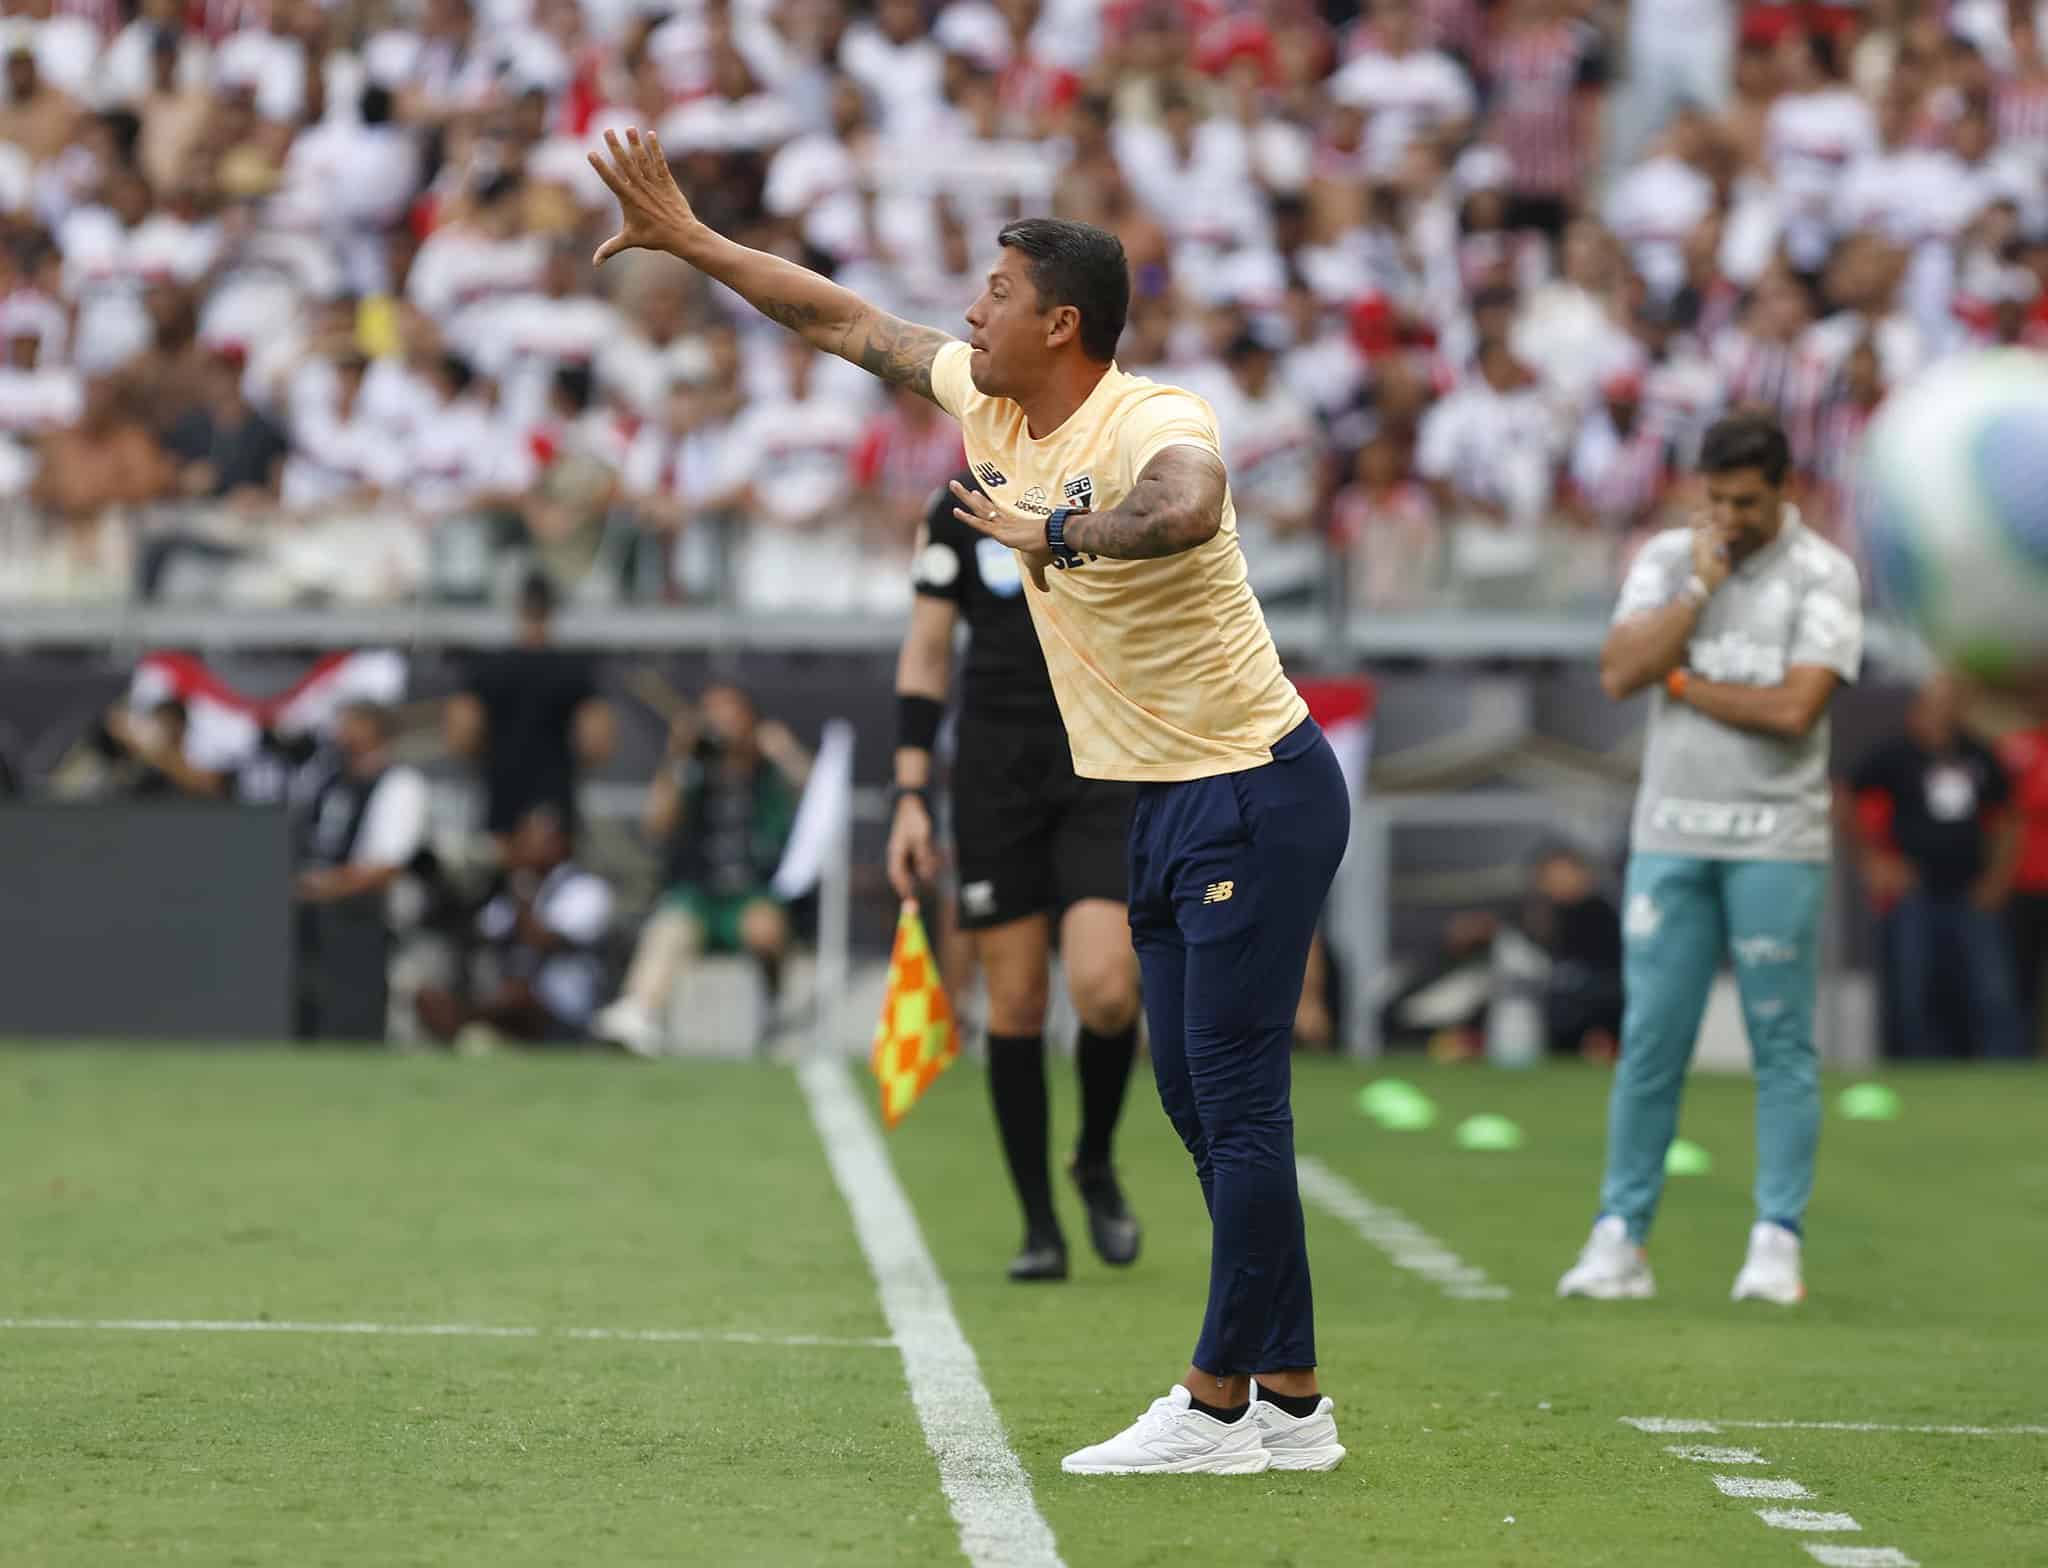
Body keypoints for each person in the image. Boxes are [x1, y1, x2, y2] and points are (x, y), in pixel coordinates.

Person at [589, 126, 1353, 1475]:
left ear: (1062, 323)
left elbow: (1186, 508)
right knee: (1196, 1098)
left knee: (1232, 1102)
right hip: (1161, 799)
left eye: (993, 295)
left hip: (1248, 787)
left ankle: (1219, 1402)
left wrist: (1057, 533)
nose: (967, 311)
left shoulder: (1152, 419)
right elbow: (840, 321)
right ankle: (1291, 1398)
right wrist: (695, 242)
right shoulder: (990, 405)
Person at [1557, 411, 1863, 1308]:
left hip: (1775, 837)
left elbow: (1793, 711)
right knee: (1651, 1037)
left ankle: (1776, 1242)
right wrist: (1698, 593)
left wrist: (1682, 679)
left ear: (1785, 491)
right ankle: (1620, 1238)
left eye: (1746, 501)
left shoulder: (1824, 574)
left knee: (1782, 1042)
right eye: (1716, 499)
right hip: (1670, 834)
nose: (1728, 515)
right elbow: (1618, 672)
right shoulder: (1668, 561)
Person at [886, 468, 1144, 1282]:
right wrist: (910, 794)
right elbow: (928, 654)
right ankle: (1039, 1224)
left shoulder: (1113, 475)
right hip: (996, 771)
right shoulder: (955, 501)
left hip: (1101, 758)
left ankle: (1093, 1158)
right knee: (1018, 999)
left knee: (1107, 987)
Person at [592, 683, 810, 1056]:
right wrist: (677, 755)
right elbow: (655, 823)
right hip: (699, 896)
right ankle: (639, 1013)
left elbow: (821, 800)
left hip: (750, 895)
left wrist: (786, 752)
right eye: (712, 713)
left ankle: (779, 1012)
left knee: (765, 927)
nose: (721, 722)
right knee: (670, 928)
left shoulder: (768, 772)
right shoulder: (691, 771)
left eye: (730, 713)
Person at [1849, 677, 2029, 1062]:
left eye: (1947, 704)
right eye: (1930, 704)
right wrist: (1873, 859)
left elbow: (2009, 819)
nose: (1936, 714)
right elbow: (1845, 797)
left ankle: (2005, 1070)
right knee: (1913, 985)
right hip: (1914, 888)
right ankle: (1918, 1069)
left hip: (1971, 889)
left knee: (1991, 987)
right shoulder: (1894, 755)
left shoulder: (1978, 755)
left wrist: (1997, 879)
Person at [416, 804, 615, 1048]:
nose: (522, 846)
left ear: (559, 844)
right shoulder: (512, 891)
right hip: (507, 1002)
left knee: (520, 995)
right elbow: (482, 934)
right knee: (430, 996)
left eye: (531, 839)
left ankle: (470, 1025)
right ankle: (469, 1034)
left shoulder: (586, 890)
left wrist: (520, 887)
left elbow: (541, 939)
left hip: (563, 1007)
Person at [444, 570, 615, 848]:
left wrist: (490, 755)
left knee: (504, 882)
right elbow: (597, 742)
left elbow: (461, 734)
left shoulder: (486, 668)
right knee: (556, 884)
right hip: (556, 800)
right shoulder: (574, 671)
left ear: (517, 606)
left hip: (502, 795)